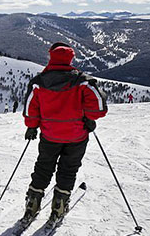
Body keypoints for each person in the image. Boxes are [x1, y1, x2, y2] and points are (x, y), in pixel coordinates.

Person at [21, 42, 108, 225]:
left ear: (51, 57)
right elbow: (99, 107)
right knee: (68, 169)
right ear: (71, 58)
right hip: (77, 135)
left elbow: (31, 108)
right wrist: (89, 118)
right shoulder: (82, 81)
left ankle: (32, 204)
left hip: (50, 135)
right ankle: (59, 206)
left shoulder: (39, 82)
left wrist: (32, 126)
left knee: (43, 167)